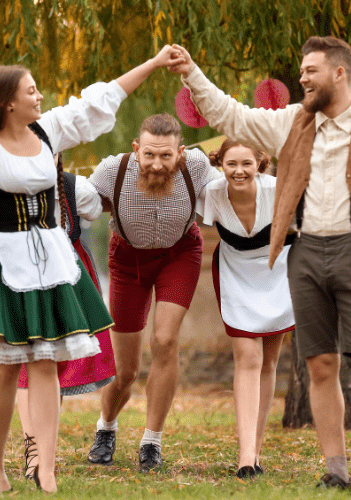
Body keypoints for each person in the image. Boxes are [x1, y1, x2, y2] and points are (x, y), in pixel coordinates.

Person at [169, 36, 351, 491]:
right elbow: (230, 115)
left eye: (311, 70)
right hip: (305, 253)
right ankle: (337, 470)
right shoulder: (290, 122)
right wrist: (191, 73)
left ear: (339, 73)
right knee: (320, 366)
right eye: (302, 70)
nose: (302, 78)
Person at [0, 46, 174, 492]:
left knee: (45, 360)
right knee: (4, 369)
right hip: (5, 261)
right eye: (31, 90)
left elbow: (99, 101)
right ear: (7, 102)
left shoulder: (46, 130)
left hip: (50, 262)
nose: (39, 96)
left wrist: (152, 63)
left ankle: (47, 469)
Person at [86, 113, 215, 473]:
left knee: (165, 340)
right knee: (126, 370)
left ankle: (151, 442)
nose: (157, 164)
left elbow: (232, 196)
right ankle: (106, 428)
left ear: (181, 152)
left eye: (166, 156)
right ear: (136, 149)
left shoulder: (199, 168)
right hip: (127, 261)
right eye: (150, 155)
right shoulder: (112, 170)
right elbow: (77, 205)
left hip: (180, 254)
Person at [195, 139, 294, 479]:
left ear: (260, 163)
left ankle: (256, 447)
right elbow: (175, 179)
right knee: (247, 358)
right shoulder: (211, 193)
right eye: (231, 163)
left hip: (276, 270)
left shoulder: (278, 189)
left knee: (269, 361)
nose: (238, 171)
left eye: (246, 164)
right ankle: (244, 457)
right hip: (236, 272)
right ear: (219, 164)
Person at [15, 167, 115, 481]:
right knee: (22, 360)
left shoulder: (73, 188)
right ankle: (33, 449)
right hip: (15, 273)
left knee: (50, 361)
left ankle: (44, 449)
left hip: (62, 279)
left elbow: (104, 205)